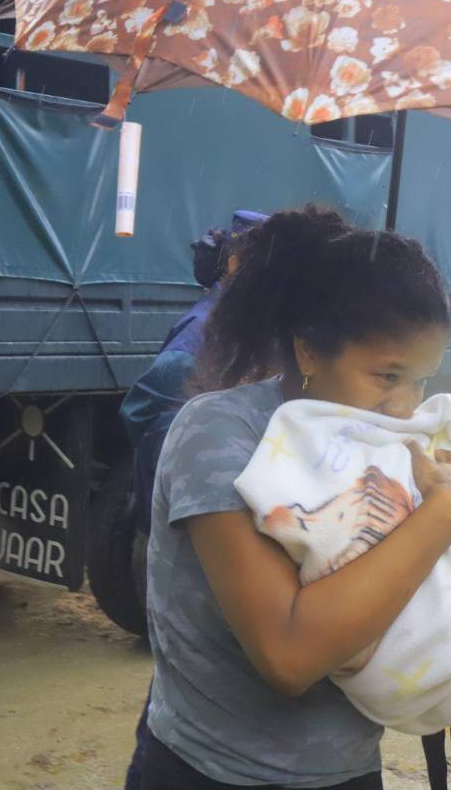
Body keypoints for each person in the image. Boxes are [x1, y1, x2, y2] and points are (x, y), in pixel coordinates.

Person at [139, 205, 451, 789]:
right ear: (307, 351)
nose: (406, 406)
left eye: (422, 380)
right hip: (212, 772)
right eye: (386, 376)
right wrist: (445, 514)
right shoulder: (224, 434)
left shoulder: (393, 445)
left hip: (347, 770)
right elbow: (289, 655)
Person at [119, 209, 265, 790]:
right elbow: (157, 431)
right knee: (190, 706)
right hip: (199, 557)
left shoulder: (258, 335)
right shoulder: (205, 342)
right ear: (235, 264)